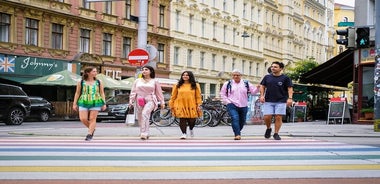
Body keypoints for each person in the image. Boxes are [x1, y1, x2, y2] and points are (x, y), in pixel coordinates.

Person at [220, 69, 259, 140]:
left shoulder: (246, 83)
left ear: (241, 76)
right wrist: (227, 101)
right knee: (235, 118)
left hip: (243, 104)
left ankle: (237, 130)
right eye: (234, 75)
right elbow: (222, 93)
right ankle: (237, 134)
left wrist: (258, 87)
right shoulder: (227, 83)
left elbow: (253, 92)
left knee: (242, 120)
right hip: (232, 104)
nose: (235, 76)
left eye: (237, 75)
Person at [129, 65, 165, 140]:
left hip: (150, 99)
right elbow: (133, 91)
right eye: (143, 69)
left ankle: (143, 133)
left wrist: (162, 102)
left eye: (146, 69)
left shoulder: (155, 81)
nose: (144, 71)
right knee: (141, 116)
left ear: (150, 71)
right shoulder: (137, 81)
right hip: (139, 99)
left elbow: (159, 93)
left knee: (144, 113)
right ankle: (146, 131)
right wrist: (131, 101)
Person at [259, 61, 293, 140]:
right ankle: (268, 128)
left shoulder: (285, 78)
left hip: (281, 100)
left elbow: (290, 88)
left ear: (281, 68)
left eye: (275, 67)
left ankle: (276, 133)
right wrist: (261, 96)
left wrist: (290, 98)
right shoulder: (267, 77)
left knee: (278, 117)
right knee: (267, 116)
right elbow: (262, 86)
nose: (273, 68)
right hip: (268, 100)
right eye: (272, 66)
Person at [73, 67, 106, 141]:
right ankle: (92, 129)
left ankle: (89, 134)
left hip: (96, 101)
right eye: (94, 71)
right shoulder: (81, 82)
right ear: (88, 73)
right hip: (83, 101)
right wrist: (74, 104)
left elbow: (102, 93)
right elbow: (77, 93)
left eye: (96, 71)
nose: (96, 73)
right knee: (83, 118)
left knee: (92, 119)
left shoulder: (99, 82)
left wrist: (104, 103)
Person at [169, 71, 202, 139]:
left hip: (192, 104)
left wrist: (199, 104)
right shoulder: (177, 85)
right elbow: (173, 96)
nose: (185, 76)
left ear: (190, 76)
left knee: (192, 120)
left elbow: (198, 96)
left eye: (187, 75)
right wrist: (171, 104)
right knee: (182, 119)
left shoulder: (195, 85)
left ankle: (191, 129)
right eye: (183, 75)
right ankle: (183, 133)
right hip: (180, 104)